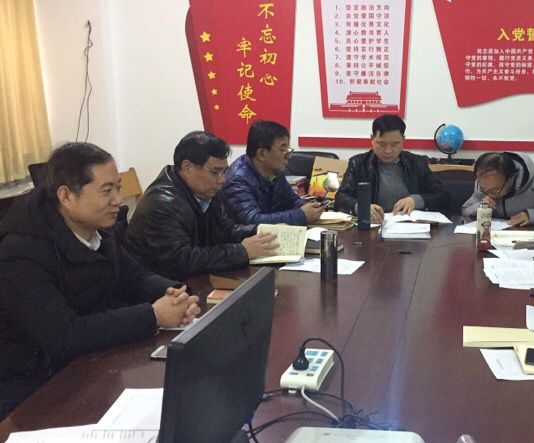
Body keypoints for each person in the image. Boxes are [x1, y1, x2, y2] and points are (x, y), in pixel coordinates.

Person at [0, 143, 200, 420]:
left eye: (118, 187)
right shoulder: (20, 252)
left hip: (90, 358)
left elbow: (135, 277)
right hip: (33, 380)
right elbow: (65, 335)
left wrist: (178, 294)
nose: (118, 200)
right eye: (106, 191)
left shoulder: (96, 229)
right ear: (66, 196)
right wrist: (153, 315)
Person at [126, 131, 278, 280]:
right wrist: (242, 251)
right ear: (187, 168)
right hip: (160, 288)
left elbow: (226, 230)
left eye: (224, 172)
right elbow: (182, 260)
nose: (222, 180)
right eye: (215, 172)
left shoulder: (204, 190)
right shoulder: (162, 204)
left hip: (192, 279)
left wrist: (261, 230)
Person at [334, 114, 450, 223]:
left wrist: (416, 200)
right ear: (372, 139)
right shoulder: (358, 164)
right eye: (382, 144)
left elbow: (444, 196)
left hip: (410, 228)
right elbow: (340, 198)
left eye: (395, 144)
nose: (388, 151)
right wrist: (362, 207)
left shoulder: (417, 163)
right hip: (371, 227)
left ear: (403, 140)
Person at [222, 120, 325, 225]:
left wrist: (309, 208)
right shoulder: (237, 180)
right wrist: (301, 215)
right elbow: (252, 221)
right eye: (282, 150)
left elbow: (291, 201)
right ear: (262, 153)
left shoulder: (274, 172)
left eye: (288, 149)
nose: (289, 156)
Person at [461, 152, 534, 226]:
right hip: (492, 238)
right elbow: (465, 210)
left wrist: (532, 216)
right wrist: (480, 207)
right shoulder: (483, 185)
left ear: (512, 178)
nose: (489, 194)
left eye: (495, 190)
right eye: (484, 189)